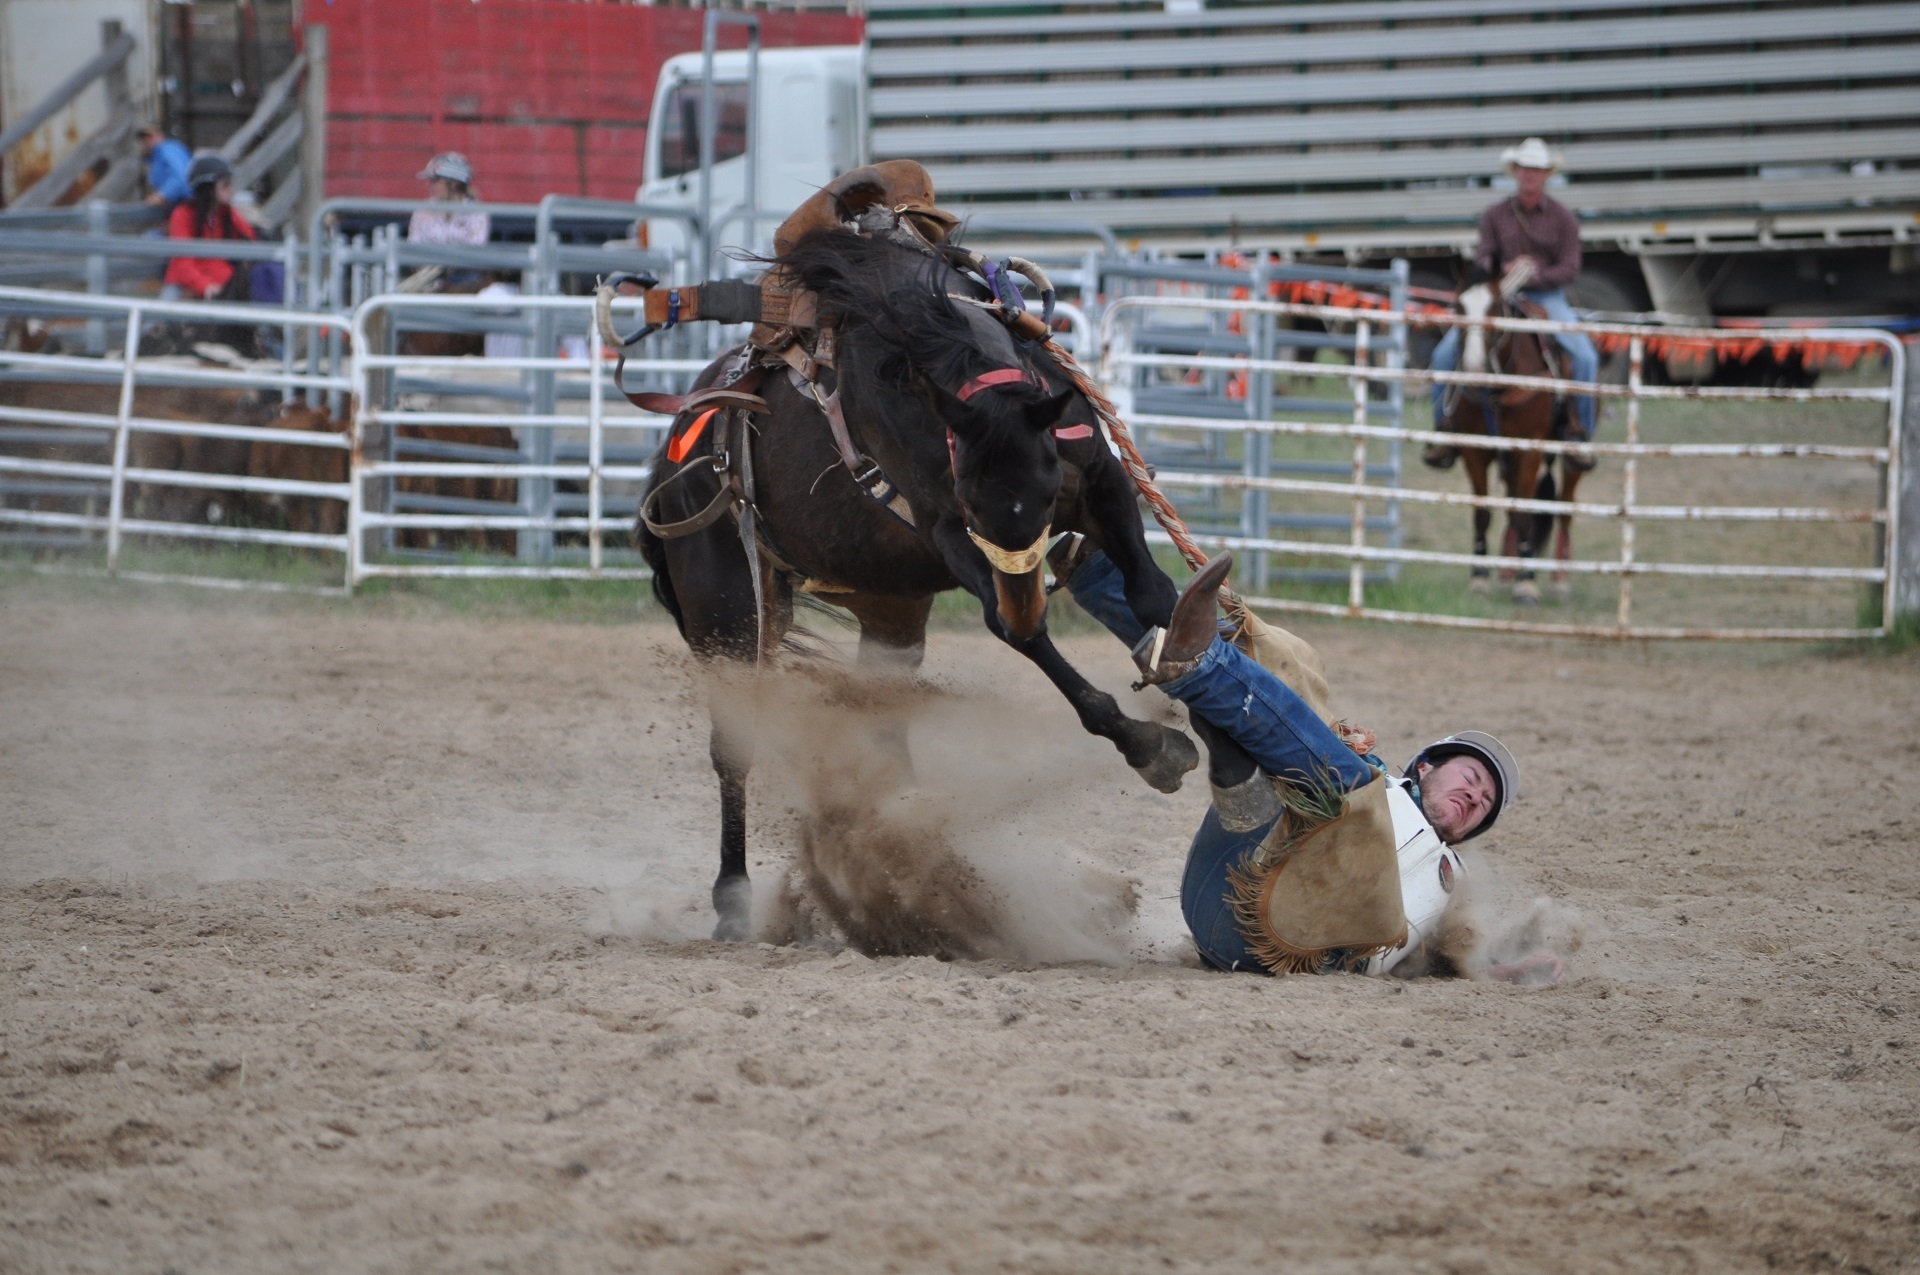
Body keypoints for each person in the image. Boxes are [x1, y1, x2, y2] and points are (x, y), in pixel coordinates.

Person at [1055, 541, 1564, 984]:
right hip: (1232, 874)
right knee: (1296, 707)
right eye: (1472, 778)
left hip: (1292, 952)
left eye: (1485, 804)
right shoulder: (1373, 775)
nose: (1476, 796)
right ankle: (1098, 579)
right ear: (1428, 766)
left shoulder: (1450, 886)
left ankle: (1198, 666)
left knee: (1340, 773)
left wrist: (1503, 968)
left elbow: (1452, 957)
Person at [1425, 137, 1600, 472]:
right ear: (1515, 171)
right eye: (1525, 168)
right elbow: (1483, 257)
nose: (1530, 175)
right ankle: (1443, 428)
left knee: (1584, 356)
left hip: (1546, 297)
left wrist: (1533, 274)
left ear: (1546, 173)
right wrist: (1499, 269)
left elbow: (1570, 268)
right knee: (1444, 353)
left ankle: (1580, 433)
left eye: (1536, 169)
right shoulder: (1495, 215)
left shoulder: (1564, 219)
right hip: (1499, 296)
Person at [163, 154, 256, 302]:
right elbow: (182, 262)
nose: (230, 189)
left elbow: (250, 242)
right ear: (208, 188)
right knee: (164, 312)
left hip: (223, 284)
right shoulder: (183, 214)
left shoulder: (227, 214)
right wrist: (205, 286)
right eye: (225, 185)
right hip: (187, 284)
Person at [406, 152, 489, 250]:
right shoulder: (423, 210)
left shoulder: (476, 213)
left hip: (460, 265)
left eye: (435, 181)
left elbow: (475, 252)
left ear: (454, 184)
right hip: (427, 264)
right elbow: (414, 247)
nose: (430, 185)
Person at [137, 125, 193, 206]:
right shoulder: (153, 158)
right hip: (176, 204)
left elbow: (180, 176)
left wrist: (161, 196)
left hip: (186, 203)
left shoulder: (167, 149)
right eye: (143, 138)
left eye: (150, 137)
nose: (146, 140)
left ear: (160, 136)